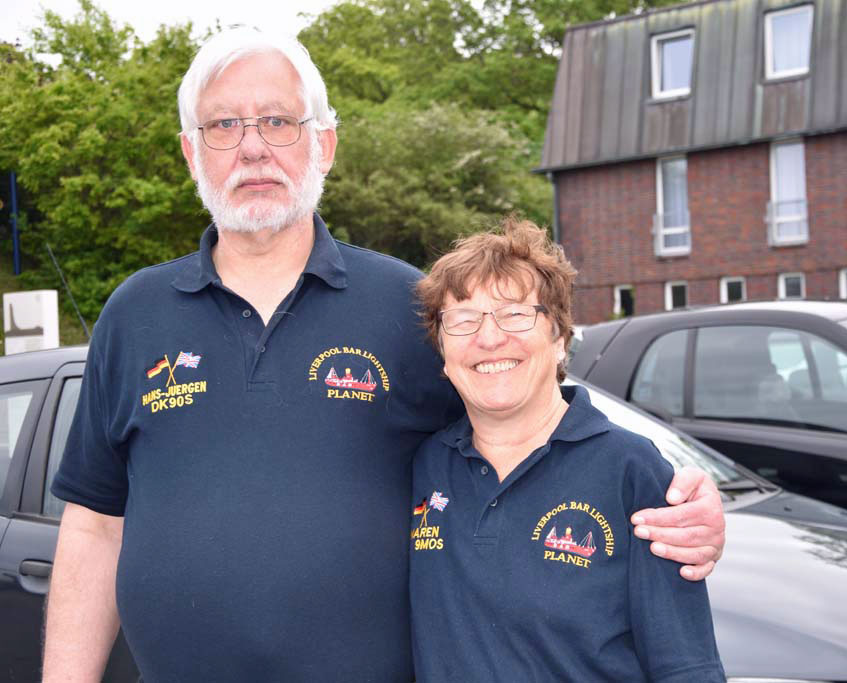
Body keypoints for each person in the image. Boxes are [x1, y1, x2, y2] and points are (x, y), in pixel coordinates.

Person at [42, 27, 726, 682]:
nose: (252, 147)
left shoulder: (406, 304)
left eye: (278, 121)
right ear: (192, 153)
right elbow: (95, 526)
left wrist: (672, 500)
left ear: (325, 143)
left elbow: (526, 428)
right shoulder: (134, 315)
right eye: (223, 125)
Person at [410, 218, 725, 681]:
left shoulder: (630, 469)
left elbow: (685, 666)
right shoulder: (426, 465)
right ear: (442, 351)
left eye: (515, 314)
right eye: (462, 319)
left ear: (559, 338)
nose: (489, 338)